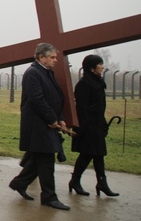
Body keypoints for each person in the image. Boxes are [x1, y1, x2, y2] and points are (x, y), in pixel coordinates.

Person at [8, 42, 75, 210]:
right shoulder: (33, 73)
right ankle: (49, 197)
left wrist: (60, 118)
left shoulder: (46, 72)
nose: (55, 61)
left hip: (47, 123)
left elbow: (55, 98)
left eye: (55, 57)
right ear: (41, 57)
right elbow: (38, 99)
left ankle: (19, 183)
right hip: (37, 125)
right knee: (45, 161)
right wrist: (52, 119)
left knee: (40, 159)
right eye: (52, 57)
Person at [69, 54, 119, 197]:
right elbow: (82, 108)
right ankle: (76, 181)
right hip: (88, 126)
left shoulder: (98, 82)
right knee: (88, 154)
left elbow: (99, 106)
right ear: (92, 68)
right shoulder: (84, 84)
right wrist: (85, 127)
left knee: (98, 155)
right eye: (100, 64)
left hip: (97, 124)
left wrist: (102, 123)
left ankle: (101, 183)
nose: (102, 67)